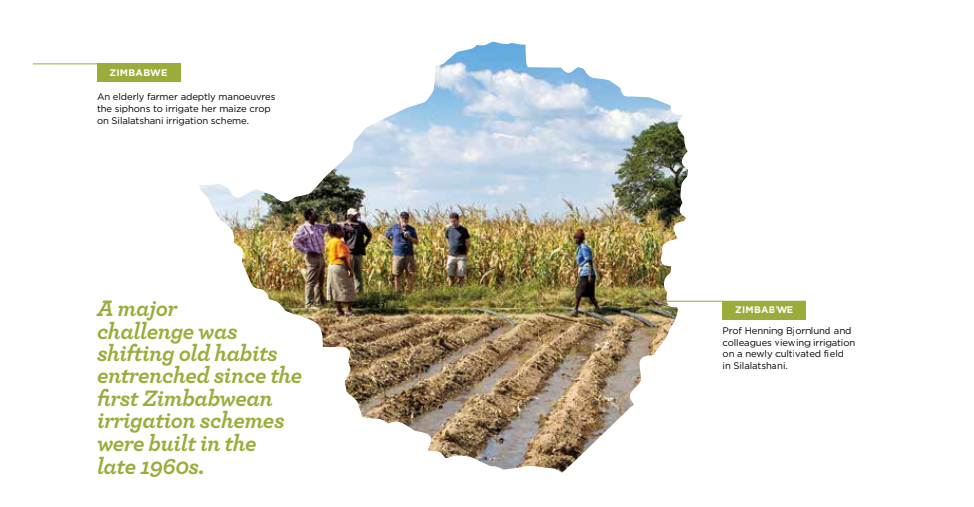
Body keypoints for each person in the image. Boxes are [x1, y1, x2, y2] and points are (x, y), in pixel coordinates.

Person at [291, 209, 329, 308]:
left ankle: (320, 302)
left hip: (320, 256)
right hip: (312, 257)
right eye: (314, 213)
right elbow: (294, 242)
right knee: (311, 282)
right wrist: (306, 250)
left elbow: (331, 227)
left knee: (320, 281)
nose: (317, 214)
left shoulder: (318, 226)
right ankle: (309, 304)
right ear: (309, 216)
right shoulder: (303, 228)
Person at [325, 223, 356, 316]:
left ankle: (339, 310)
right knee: (346, 286)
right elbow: (342, 256)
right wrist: (349, 269)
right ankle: (348, 310)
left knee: (335, 287)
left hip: (332, 266)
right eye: (341, 230)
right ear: (336, 232)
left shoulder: (330, 241)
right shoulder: (339, 242)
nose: (343, 231)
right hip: (340, 266)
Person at [384, 211, 419, 292]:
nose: (404, 219)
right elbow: (387, 236)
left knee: (410, 273)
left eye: (406, 218)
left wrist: (409, 237)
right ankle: (398, 292)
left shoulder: (411, 229)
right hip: (397, 254)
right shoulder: (394, 227)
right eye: (402, 217)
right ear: (399, 218)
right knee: (397, 274)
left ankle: (409, 292)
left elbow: (416, 242)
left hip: (409, 254)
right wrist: (392, 243)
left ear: (408, 219)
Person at [340, 208, 372, 293]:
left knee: (358, 275)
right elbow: (342, 239)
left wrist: (364, 246)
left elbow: (369, 235)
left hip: (359, 253)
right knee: (348, 273)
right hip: (349, 253)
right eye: (354, 214)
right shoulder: (345, 225)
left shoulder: (361, 224)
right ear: (349, 215)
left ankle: (359, 293)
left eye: (356, 214)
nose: (356, 216)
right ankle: (348, 293)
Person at [572, 228, 600, 316]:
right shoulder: (580, 247)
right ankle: (598, 309)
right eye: (575, 238)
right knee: (590, 294)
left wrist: (590, 275)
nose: (575, 240)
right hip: (587, 272)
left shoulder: (583, 247)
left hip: (586, 273)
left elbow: (589, 260)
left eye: (577, 238)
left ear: (580, 239)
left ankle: (575, 311)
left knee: (578, 292)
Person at [444, 212, 471, 286]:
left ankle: (461, 290)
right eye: (451, 221)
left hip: (461, 255)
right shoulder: (448, 229)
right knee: (450, 273)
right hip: (451, 255)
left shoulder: (463, 230)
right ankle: (451, 287)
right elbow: (447, 240)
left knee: (461, 274)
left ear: (458, 220)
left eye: (454, 221)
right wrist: (449, 249)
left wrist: (466, 252)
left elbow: (468, 242)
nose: (453, 223)